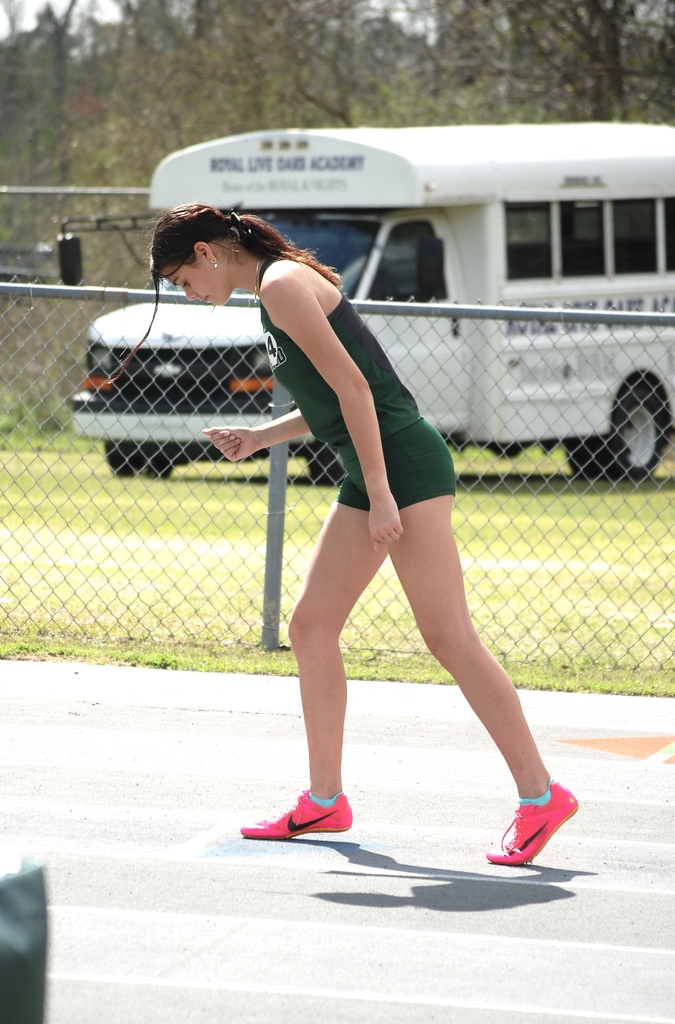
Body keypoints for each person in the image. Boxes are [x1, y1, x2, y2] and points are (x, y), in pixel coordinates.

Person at [133, 202, 578, 866]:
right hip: (374, 464)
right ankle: (324, 800)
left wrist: (378, 493)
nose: (187, 294)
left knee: (449, 638)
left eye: (180, 279)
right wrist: (260, 437)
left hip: (400, 463)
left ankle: (541, 797)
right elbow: (331, 400)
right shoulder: (273, 290)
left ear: (206, 252)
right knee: (311, 628)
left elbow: (358, 391)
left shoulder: (282, 285)